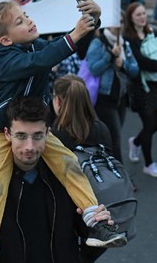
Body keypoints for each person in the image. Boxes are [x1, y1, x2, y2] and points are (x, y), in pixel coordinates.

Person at [0, 0, 125, 262]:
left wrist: (93, 19)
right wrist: (76, 33)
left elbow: (59, 47)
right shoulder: (7, 58)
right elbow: (45, 59)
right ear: (6, 40)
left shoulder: (34, 46)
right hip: (0, 131)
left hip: (37, 128)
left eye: (26, 14)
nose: (29, 20)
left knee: (69, 163)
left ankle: (96, 220)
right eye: (19, 21)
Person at [0, 96, 116, 263]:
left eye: (38, 136)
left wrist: (101, 226)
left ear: (48, 133)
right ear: (7, 134)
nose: (29, 147)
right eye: (21, 136)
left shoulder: (68, 176)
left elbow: (92, 237)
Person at [50, 74, 116, 263]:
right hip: (99, 208)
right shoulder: (101, 128)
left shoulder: (55, 136)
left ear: (58, 101)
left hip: (67, 211)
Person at [123, 2, 157, 177]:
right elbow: (140, 61)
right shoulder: (129, 39)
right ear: (131, 18)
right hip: (141, 87)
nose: (143, 17)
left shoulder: (153, 33)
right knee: (149, 124)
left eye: (144, 13)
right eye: (138, 14)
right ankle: (149, 164)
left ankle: (136, 142)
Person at [85, 24, 139, 164]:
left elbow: (135, 70)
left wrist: (123, 64)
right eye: (116, 21)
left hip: (121, 98)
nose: (118, 24)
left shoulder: (124, 44)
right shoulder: (99, 43)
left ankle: (104, 164)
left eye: (121, 21)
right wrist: (110, 56)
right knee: (114, 139)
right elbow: (93, 69)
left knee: (111, 136)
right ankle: (121, 177)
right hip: (105, 98)